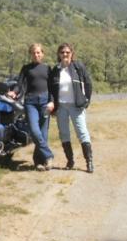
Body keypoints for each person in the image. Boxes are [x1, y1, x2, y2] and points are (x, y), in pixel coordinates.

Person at [8, 43, 55, 171]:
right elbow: (19, 84)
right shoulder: (26, 68)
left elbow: (52, 88)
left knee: (43, 134)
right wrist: (14, 92)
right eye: (34, 53)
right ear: (31, 54)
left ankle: (39, 162)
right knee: (34, 131)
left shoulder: (47, 68)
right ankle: (49, 155)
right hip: (31, 102)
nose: (36, 55)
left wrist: (52, 102)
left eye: (38, 52)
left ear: (42, 54)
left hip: (45, 102)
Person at [49, 43, 94, 173]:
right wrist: (53, 105)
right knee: (64, 134)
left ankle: (89, 162)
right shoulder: (55, 70)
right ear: (59, 54)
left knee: (82, 133)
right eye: (62, 52)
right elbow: (52, 90)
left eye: (67, 52)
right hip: (61, 107)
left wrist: (86, 100)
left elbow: (88, 83)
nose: (65, 54)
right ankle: (70, 161)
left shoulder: (78, 67)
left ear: (72, 54)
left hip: (76, 106)